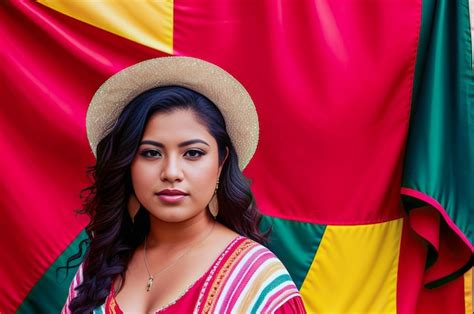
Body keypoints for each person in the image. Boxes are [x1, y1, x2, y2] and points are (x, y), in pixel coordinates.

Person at [61, 56, 306, 313]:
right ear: (128, 164)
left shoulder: (256, 280)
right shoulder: (99, 264)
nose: (171, 172)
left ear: (221, 162)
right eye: (151, 153)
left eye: (193, 153)